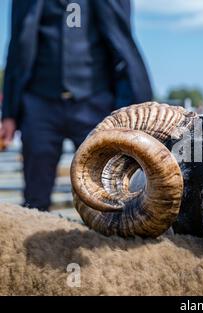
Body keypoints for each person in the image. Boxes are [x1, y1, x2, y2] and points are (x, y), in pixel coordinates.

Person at [0, 0, 153, 211]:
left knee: (103, 193)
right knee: (35, 197)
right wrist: (9, 113)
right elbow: (16, 47)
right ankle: (35, 243)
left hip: (94, 103)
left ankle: (103, 243)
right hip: (39, 104)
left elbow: (121, 41)